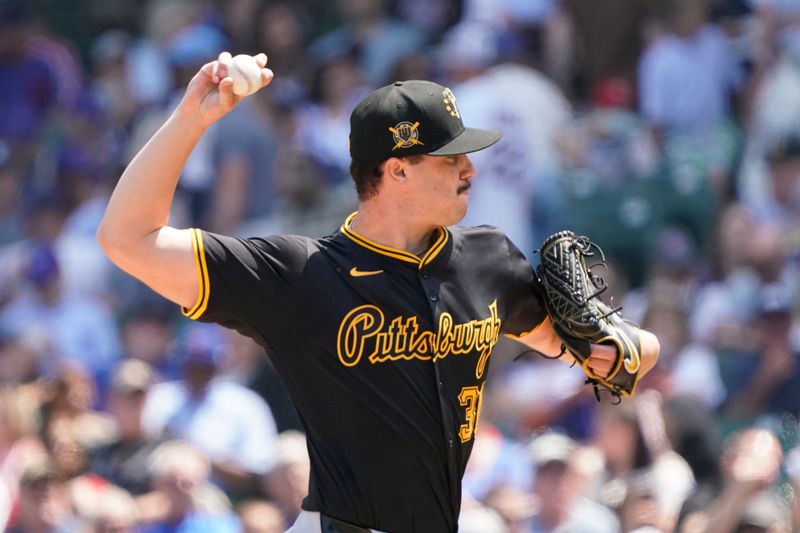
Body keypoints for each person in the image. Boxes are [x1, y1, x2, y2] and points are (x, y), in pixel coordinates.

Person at [97, 50, 660, 532]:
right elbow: (127, 238)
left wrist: (618, 347)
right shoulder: (300, 274)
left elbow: (611, 356)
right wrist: (192, 119)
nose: (469, 168)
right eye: (450, 156)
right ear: (397, 170)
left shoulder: (489, 259)